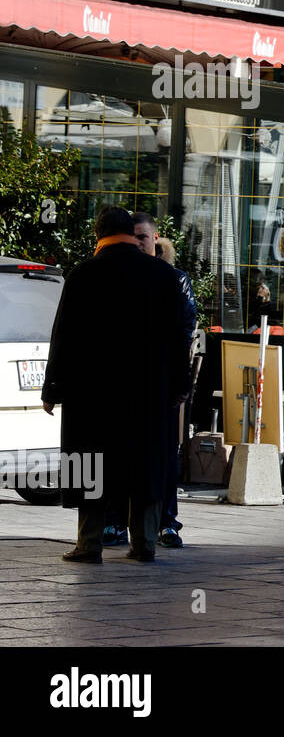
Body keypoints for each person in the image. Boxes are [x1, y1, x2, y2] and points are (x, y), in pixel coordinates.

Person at [43, 206, 189, 564]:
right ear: (131, 233)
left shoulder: (84, 274)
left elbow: (64, 335)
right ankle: (145, 545)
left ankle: (89, 544)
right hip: (148, 392)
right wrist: (179, 385)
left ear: (99, 235)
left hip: (92, 393)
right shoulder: (163, 275)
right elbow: (178, 338)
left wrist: (52, 387)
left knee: (89, 461)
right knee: (145, 463)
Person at [131, 212, 197, 550]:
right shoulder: (124, 276)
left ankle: (167, 522)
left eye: (143, 237)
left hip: (161, 382)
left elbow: (183, 332)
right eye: (133, 237)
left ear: (155, 240)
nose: (137, 243)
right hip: (130, 382)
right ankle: (119, 522)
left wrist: (178, 381)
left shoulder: (174, 279)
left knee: (163, 454)